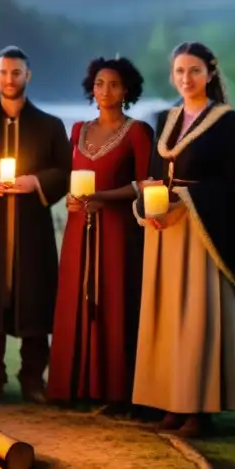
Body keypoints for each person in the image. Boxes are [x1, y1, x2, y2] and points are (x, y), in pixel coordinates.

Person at [131, 42, 235, 438]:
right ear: (172, 75)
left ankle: (199, 409)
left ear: (210, 73)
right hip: (165, 233)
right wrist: (147, 207)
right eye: (180, 71)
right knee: (167, 317)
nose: (187, 78)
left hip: (202, 233)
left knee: (195, 318)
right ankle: (171, 402)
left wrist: (185, 199)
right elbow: (154, 173)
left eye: (195, 70)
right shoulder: (167, 119)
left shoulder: (228, 123)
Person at [0, 46, 72, 402]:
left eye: (16, 73)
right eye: (4, 72)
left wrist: (35, 182)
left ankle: (33, 377)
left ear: (28, 76)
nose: (10, 79)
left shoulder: (50, 126)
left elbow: (64, 170)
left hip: (31, 227)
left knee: (34, 296)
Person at [47, 56, 153, 410]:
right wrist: (72, 200)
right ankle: (71, 385)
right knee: (77, 298)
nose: (105, 90)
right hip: (80, 227)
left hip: (117, 230)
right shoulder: (77, 130)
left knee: (112, 299)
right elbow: (70, 177)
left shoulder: (138, 132)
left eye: (114, 84)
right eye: (99, 84)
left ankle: (115, 391)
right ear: (91, 89)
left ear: (127, 90)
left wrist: (104, 198)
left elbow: (145, 184)